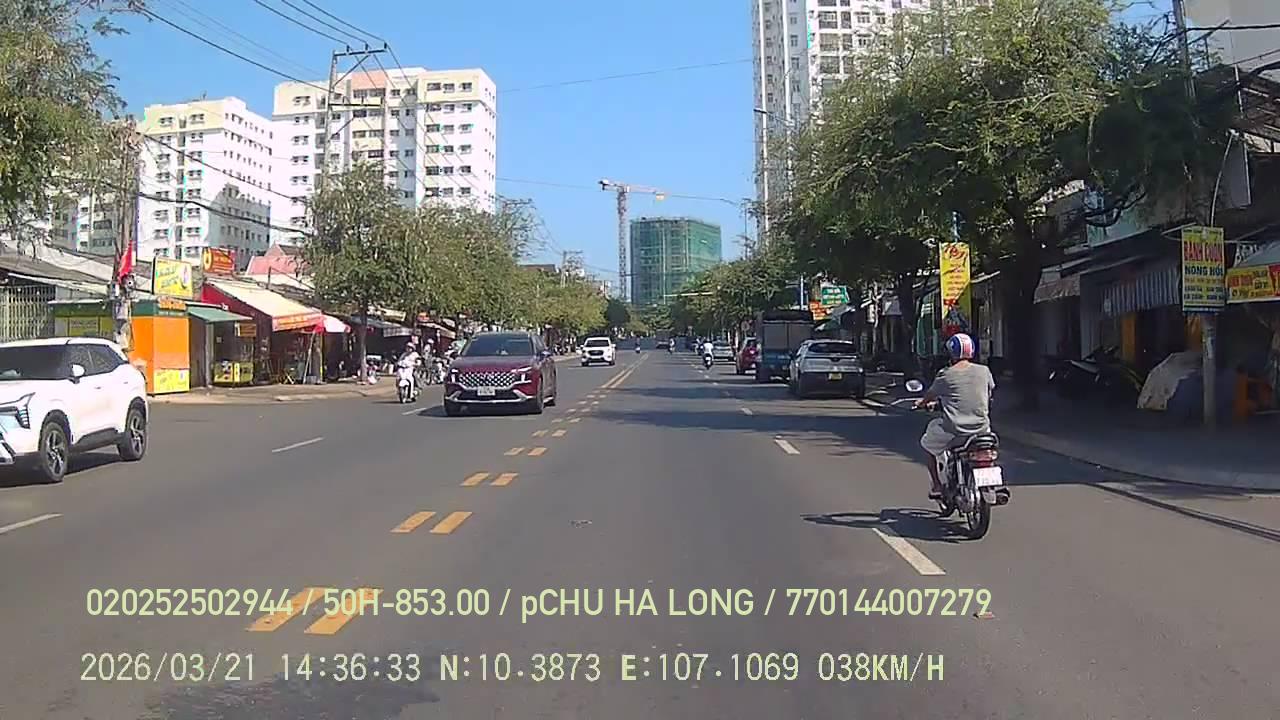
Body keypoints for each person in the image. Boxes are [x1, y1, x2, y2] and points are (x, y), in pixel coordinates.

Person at [914, 333, 995, 499]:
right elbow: (989, 392)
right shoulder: (984, 371)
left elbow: (930, 395)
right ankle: (989, 484)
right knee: (987, 453)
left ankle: (937, 485)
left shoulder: (945, 374)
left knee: (927, 444)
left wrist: (921, 403)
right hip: (982, 428)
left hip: (953, 429)